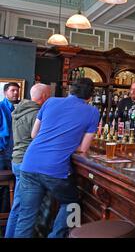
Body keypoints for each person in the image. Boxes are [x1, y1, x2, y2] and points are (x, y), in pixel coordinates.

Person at [13, 78, 99, 238]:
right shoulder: (92, 112)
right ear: (90, 96)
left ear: (70, 91)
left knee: (26, 216)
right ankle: (57, 236)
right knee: (73, 203)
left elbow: (34, 134)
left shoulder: (50, 101)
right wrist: (66, 143)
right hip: (54, 170)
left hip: (29, 163)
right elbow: (83, 149)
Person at [5, 83, 51, 238]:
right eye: (49, 95)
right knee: (24, 209)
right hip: (28, 162)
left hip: (16, 159)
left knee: (18, 206)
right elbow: (42, 140)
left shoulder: (18, 109)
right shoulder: (37, 113)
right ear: (44, 96)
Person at [0, 82, 21, 170]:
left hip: (17, 150)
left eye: (17, 90)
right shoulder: (0, 107)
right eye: (13, 90)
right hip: (2, 149)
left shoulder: (21, 107)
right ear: (5, 93)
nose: (16, 92)